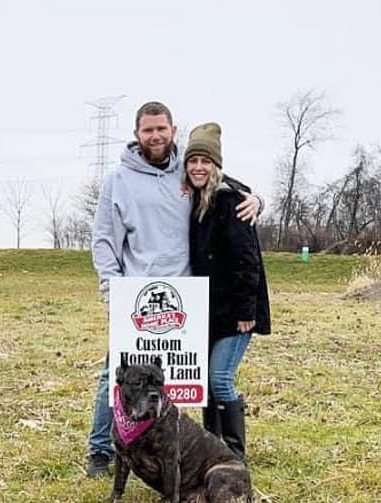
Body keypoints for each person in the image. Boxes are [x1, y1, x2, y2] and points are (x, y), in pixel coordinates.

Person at [88, 101, 260, 476]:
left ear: (173, 130)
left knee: (187, 379)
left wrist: (257, 199)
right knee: (114, 376)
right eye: (148, 130)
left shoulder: (186, 171)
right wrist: (109, 292)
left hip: (187, 300)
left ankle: (195, 452)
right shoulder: (117, 180)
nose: (155, 136)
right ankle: (101, 451)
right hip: (135, 298)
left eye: (161, 129)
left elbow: (224, 185)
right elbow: (103, 241)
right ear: (137, 134)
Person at [182, 122, 270, 462]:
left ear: (217, 165)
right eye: (193, 161)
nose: (198, 167)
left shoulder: (232, 201)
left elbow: (247, 260)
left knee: (219, 379)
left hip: (236, 312)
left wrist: (246, 312)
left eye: (205, 161)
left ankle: (234, 456)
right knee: (204, 379)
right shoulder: (193, 200)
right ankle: (211, 448)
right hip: (208, 310)